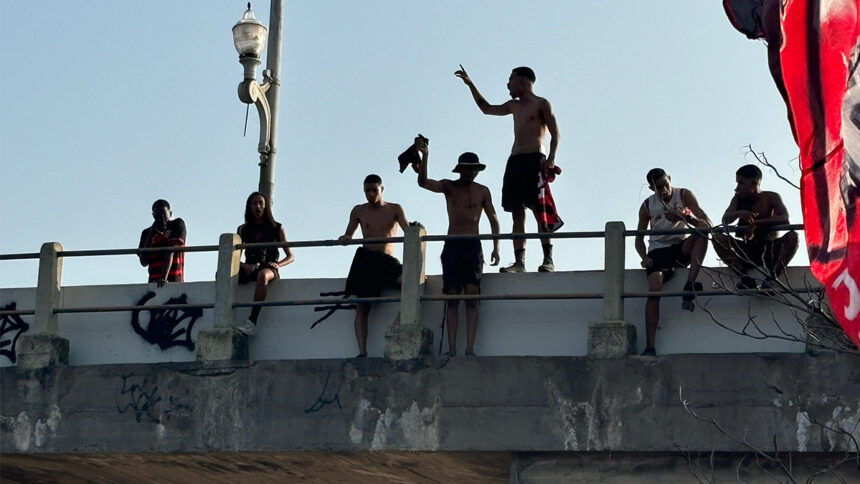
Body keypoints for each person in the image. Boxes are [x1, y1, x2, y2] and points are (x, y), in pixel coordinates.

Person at [455, 65, 561, 273]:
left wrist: (550, 158)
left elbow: (556, 134)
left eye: (510, 80)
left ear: (522, 80)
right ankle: (519, 261)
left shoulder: (541, 104)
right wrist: (470, 85)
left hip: (535, 159)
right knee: (516, 213)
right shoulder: (513, 105)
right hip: (515, 161)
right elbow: (486, 108)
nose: (507, 84)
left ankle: (547, 258)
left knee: (540, 211)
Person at [415, 139, 500, 357]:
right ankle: (452, 349)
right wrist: (425, 156)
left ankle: (469, 349)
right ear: (460, 169)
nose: (470, 172)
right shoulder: (449, 186)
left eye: (474, 169)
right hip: (453, 244)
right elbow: (423, 183)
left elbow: (493, 218)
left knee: (472, 296)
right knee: (451, 297)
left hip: (473, 245)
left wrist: (496, 247)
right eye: (467, 169)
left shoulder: (483, 191)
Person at [635, 169, 711, 356]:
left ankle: (690, 282)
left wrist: (686, 218)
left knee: (702, 234)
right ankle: (650, 345)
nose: (663, 190)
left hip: (681, 246)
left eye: (665, 185)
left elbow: (707, 224)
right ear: (652, 188)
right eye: (658, 188)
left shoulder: (683, 195)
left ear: (670, 179)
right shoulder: (647, 206)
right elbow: (638, 237)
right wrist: (644, 257)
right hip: (658, 251)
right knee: (654, 288)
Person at [338, 175, 409, 357]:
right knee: (362, 306)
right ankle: (362, 352)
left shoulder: (394, 209)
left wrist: (415, 230)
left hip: (386, 259)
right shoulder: (359, 210)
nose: (370, 194)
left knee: (411, 284)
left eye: (374, 190)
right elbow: (349, 234)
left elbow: (408, 231)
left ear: (381, 189)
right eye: (367, 191)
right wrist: (345, 238)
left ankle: (396, 326)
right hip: (366, 259)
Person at [712, 164, 799, 289]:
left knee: (793, 236)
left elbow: (784, 219)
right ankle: (745, 277)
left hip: (770, 249)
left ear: (754, 183)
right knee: (717, 237)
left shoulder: (771, 197)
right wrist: (739, 214)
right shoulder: (737, 200)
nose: (737, 187)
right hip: (747, 250)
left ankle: (772, 278)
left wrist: (757, 224)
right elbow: (725, 220)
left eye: (741, 183)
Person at [235, 192, 294, 335]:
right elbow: (234, 258)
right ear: (249, 206)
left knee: (262, 276)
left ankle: (252, 322)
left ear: (266, 206)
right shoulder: (243, 229)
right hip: (250, 267)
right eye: (254, 203)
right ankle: (223, 318)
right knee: (222, 274)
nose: (258, 206)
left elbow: (291, 256)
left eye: (261, 203)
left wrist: (278, 264)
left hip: (268, 268)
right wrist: (244, 266)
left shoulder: (276, 227)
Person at [138, 199, 186, 287]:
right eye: (158, 215)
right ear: (153, 215)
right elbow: (143, 261)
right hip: (153, 282)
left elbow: (171, 249)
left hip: (174, 280)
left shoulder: (177, 224)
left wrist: (164, 278)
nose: (161, 218)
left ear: (170, 213)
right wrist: (152, 233)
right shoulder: (147, 233)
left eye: (164, 214)